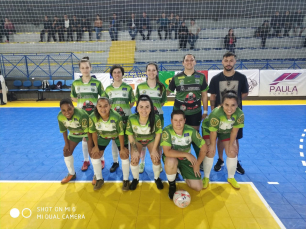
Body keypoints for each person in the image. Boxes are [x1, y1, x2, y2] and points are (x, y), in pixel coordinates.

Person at [208, 52, 249, 175]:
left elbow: (245, 93)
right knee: (221, 138)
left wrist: (234, 103)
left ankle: (234, 160)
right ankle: (220, 160)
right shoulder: (216, 79)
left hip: (235, 114)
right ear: (222, 62)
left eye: (231, 60)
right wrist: (213, 111)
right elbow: (213, 96)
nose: (228, 63)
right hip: (220, 115)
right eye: (226, 61)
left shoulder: (241, 78)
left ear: (235, 61)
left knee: (235, 138)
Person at [167, 54, 208, 164]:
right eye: (187, 60)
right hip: (179, 113)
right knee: (177, 135)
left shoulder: (201, 77)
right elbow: (166, 92)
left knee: (194, 136)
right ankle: (178, 159)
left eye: (191, 60)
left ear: (195, 62)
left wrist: (205, 111)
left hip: (195, 112)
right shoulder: (176, 78)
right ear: (183, 63)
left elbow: (204, 95)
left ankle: (201, 162)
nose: (189, 62)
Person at [202, 91, 244, 189]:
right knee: (210, 151)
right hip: (209, 129)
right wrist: (212, 145)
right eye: (226, 105)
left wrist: (231, 145)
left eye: (233, 105)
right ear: (221, 104)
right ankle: (206, 178)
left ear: (238, 105)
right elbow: (213, 132)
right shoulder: (216, 113)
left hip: (225, 130)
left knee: (232, 151)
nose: (229, 108)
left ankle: (231, 178)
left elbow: (234, 132)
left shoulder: (240, 114)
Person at [161, 110, 208, 199]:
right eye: (175, 120)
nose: (178, 123)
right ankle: (172, 184)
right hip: (173, 158)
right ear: (171, 121)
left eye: (180, 120)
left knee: (198, 187)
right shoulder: (167, 131)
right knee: (171, 161)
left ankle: (180, 171)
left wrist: (197, 164)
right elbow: (167, 152)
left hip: (186, 161)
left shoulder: (191, 131)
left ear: (184, 120)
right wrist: (187, 155)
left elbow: (204, 148)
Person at [71, 57, 106, 171]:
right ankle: (86, 160)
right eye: (82, 68)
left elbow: (104, 97)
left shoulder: (97, 83)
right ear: (80, 69)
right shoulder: (75, 83)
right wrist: (82, 102)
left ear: (90, 68)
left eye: (87, 67)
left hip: (95, 115)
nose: (85, 70)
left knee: (98, 137)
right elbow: (73, 97)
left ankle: (101, 158)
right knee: (85, 138)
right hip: (81, 115)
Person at [88, 97, 130, 190]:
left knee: (124, 155)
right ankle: (99, 179)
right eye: (100, 106)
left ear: (110, 106)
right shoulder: (92, 117)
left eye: (106, 106)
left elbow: (120, 133)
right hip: (103, 136)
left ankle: (126, 180)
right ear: (96, 107)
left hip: (117, 135)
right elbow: (93, 132)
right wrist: (95, 146)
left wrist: (122, 148)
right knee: (95, 155)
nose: (103, 109)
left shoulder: (116, 116)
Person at [126, 95, 164, 190]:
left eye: (147, 107)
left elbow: (158, 135)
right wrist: (134, 150)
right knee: (134, 159)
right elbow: (130, 135)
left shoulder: (156, 119)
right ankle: (135, 179)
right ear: (137, 108)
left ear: (151, 108)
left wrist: (155, 150)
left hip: (151, 139)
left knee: (156, 158)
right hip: (137, 140)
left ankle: (156, 178)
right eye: (141, 107)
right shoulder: (131, 118)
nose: (144, 110)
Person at [136, 63, 167, 173]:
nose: (151, 72)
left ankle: (157, 161)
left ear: (157, 72)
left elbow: (162, 102)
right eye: (149, 70)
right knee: (144, 141)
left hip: (158, 118)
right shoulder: (140, 87)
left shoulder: (161, 87)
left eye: (154, 70)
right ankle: (142, 163)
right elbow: (138, 103)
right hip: (143, 119)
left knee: (158, 142)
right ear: (146, 72)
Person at [105, 65, 135, 173]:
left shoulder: (128, 87)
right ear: (112, 75)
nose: (117, 74)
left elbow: (132, 102)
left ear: (122, 74)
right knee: (114, 141)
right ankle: (115, 161)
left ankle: (127, 160)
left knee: (127, 140)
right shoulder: (108, 89)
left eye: (119, 72)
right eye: (115, 72)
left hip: (126, 119)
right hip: (113, 120)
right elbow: (105, 104)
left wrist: (125, 111)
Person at [57, 98, 90, 184]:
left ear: (73, 107)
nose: (67, 112)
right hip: (74, 134)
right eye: (63, 110)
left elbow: (88, 131)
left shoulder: (81, 115)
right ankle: (72, 174)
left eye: (69, 109)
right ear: (61, 110)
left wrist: (92, 146)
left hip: (87, 133)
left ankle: (97, 176)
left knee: (93, 152)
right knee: (66, 152)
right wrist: (66, 144)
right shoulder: (60, 116)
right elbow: (64, 130)